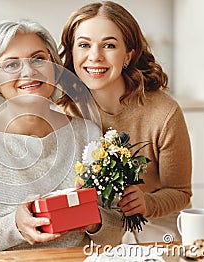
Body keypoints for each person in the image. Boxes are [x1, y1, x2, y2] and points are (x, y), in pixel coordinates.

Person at [0, 19, 130, 254]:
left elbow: (118, 228)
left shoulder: (89, 134)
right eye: (11, 64)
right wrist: (15, 227)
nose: (28, 71)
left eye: (38, 59)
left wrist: (94, 220)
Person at [57, 1, 192, 243]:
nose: (95, 56)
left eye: (109, 45)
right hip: (90, 229)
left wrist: (147, 202)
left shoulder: (164, 113)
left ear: (128, 55)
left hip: (154, 225)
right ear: (72, 52)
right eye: (84, 45)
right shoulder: (62, 112)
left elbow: (181, 192)